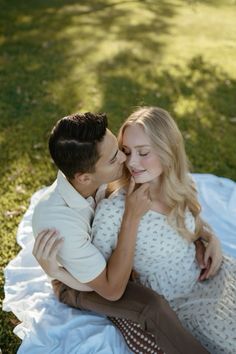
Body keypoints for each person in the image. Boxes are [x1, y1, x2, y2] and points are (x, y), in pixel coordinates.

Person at [32, 112, 215, 354]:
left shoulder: (100, 175)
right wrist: (131, 216)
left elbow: (175, 198)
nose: (124, 159)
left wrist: (210, 237)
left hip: (111, 261)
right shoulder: (59, 224)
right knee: (150, 306)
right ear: (85, 177)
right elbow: (111, 289)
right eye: (115, 157)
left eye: (119, 149)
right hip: (77, 282)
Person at [89, 107, 236, 354]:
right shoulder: (114, 211)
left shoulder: (181, 184)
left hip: (216, 274)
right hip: (180, 303)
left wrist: (211, 239)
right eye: (126, 152)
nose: (132, 162)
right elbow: (101, 276)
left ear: (168, 151)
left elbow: (194, 223)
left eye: (143, 152)